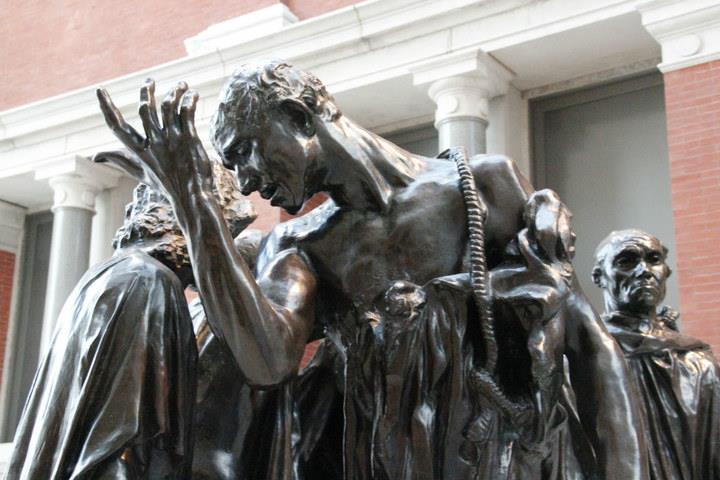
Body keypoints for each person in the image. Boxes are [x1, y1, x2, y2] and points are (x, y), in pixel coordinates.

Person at [95, 61, 647, 478]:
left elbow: (588, 343)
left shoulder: (481, 186)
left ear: (298, 117)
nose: (245, 183)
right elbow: (267, 360)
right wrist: (193, 200)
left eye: (245, 152)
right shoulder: (300, 245)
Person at [7, 161, 256, 480]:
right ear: (194, 226)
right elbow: (123, 440)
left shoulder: (108, 276)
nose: (227, 259)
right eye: (226, 237)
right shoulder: (149, 283)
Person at [593, 229, 720, 480]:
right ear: (600, 276)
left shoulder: (698, 361)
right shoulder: (587, 355)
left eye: (653, 260)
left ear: (666, 272)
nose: (644, 270)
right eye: (626, 261)